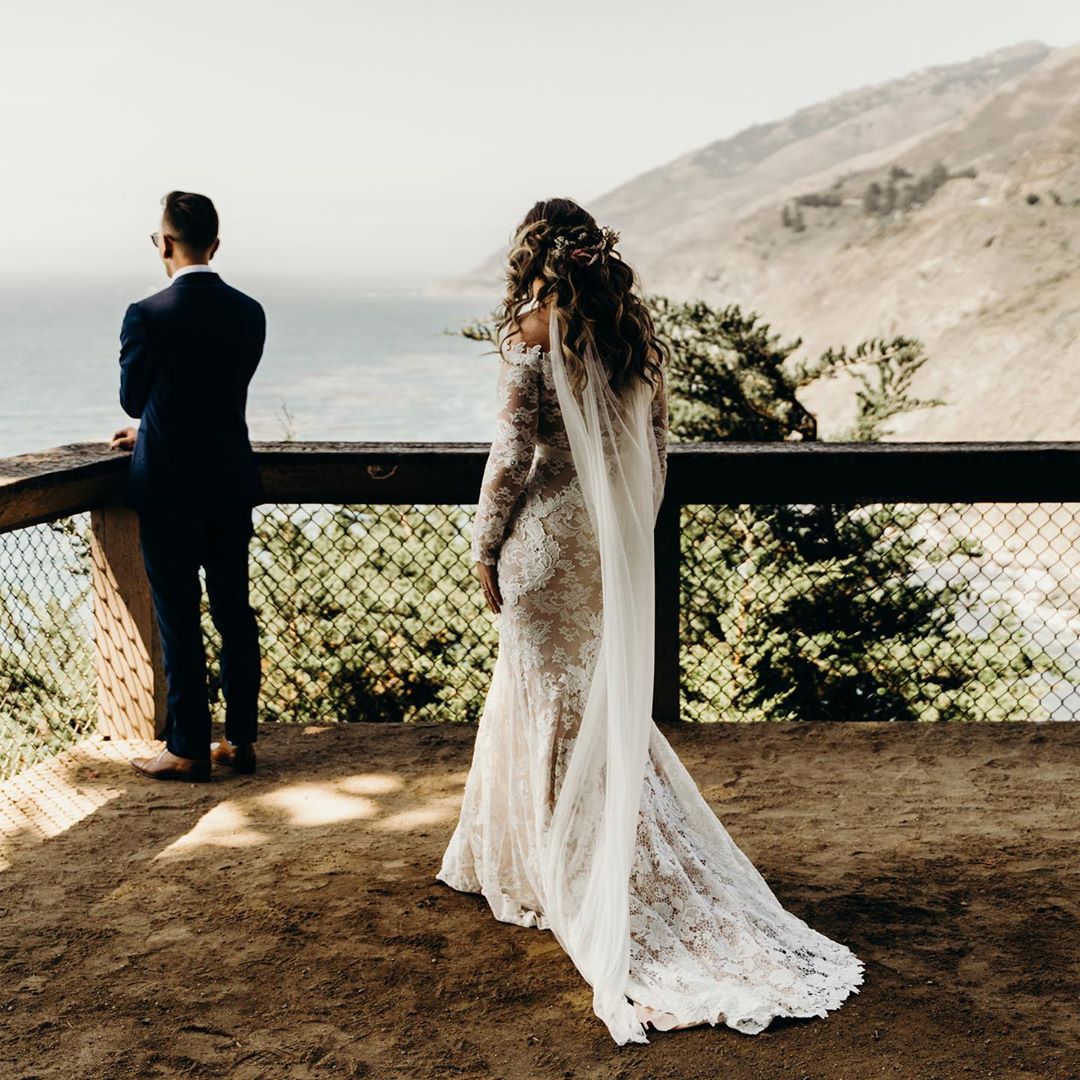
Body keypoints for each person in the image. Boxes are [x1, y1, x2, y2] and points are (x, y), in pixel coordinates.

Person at [437, 198, 864, 1044]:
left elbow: (510, 458)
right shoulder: (630, 335)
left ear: (532, 255)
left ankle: (554, 866)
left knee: (543, 695)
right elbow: (656, 452)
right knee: (577, 697)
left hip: (544, 541)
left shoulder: (531, 334)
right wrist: (627, 536)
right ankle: (525, 852)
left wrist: (485, 547)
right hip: (606, 544)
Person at [110, 191, 265, 782]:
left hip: (169, 487)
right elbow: (214, 393)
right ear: (215, 245)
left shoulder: (146, 314)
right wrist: (154, 422)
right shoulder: (249, 311)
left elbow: (133, 395)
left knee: (179, 617)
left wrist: (146, 426)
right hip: (229, 481)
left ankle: (188, 748)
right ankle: (241, 741)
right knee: (234, 612)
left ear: (166, 244)